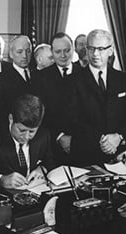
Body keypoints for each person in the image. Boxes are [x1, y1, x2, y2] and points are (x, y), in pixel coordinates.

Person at [69, 29, 126, 166]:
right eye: (91, 48)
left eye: (101, 49)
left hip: (120, 155)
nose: (95, 54)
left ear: (111, 50)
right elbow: (73, 120)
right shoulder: (72, 81)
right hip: (86, 156)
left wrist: (118, 137)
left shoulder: (124, 79)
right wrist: (103, 141)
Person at [32, 32, 83, 164]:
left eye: (67, 50)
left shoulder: (85, 74)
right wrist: (60, 136)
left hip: (82, 144)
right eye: (58, 51)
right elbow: (40, 113)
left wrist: (77, 138)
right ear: (52, 52)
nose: (63, 55)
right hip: (53, 145)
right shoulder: (40, 77)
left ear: (73, 49)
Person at [0, 35, 35, 126]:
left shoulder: (39, 75)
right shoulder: (0, 80)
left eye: (28, 51)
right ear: (11, 54)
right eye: (19, 52)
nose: (25, 56)